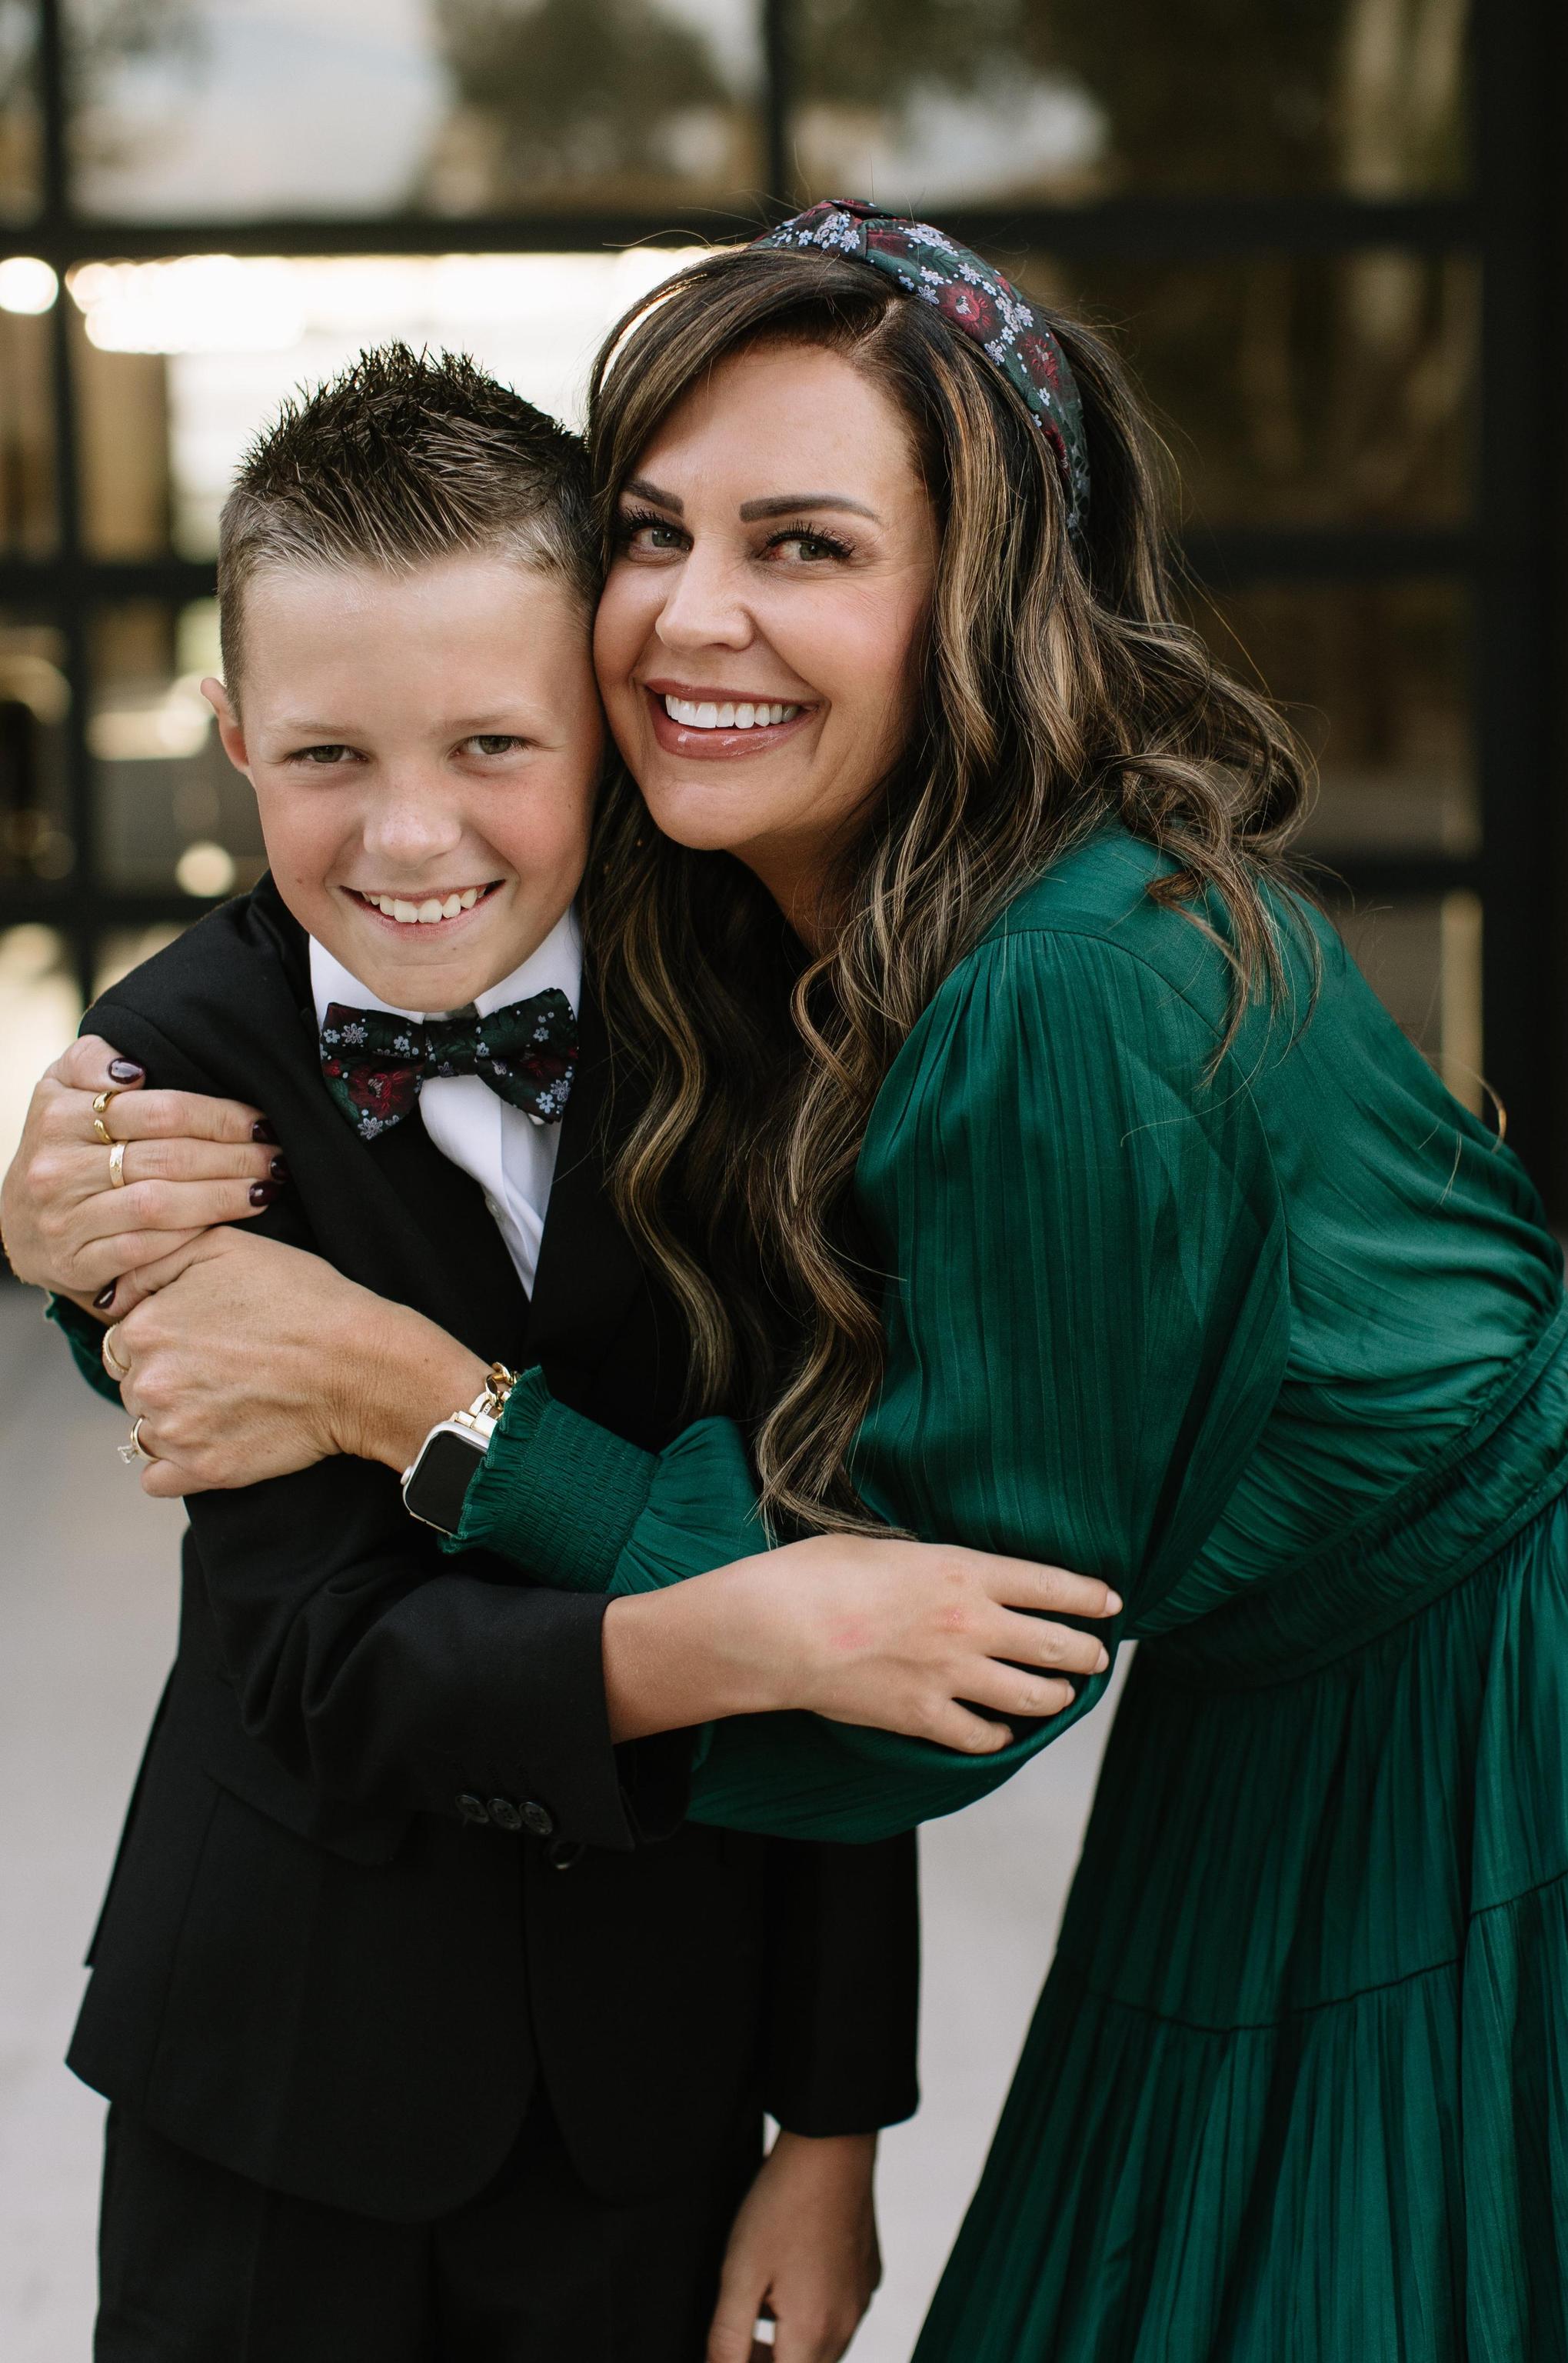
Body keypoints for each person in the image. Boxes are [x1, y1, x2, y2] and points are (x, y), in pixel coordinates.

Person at [18, 195, 1563, 2358]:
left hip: (1444, 1739)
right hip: (283, 2078)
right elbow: (258, 1388)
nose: (692, 618)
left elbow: (898, 1643)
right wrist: (82, 1240)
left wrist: (434, 1413)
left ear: (971, 589)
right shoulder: (736, 924)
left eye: (808, 545)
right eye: (652, 532)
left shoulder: (1017, 998)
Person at [1, 343, 1117, 2363]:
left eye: (493, 747)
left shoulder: (774, 1031)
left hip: (652, 2083)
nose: (413, 837)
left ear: (606, 731)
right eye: (330, 756)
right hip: (275, 2075)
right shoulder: (168, 1089)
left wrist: (834, 2124)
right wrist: (753, 1638)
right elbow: (320, 1660)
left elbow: (830, 1545)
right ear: (235, 736)